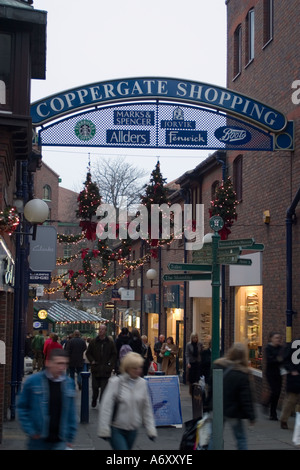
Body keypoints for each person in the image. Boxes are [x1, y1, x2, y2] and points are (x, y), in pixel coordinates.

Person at [17, 349, 77, 450]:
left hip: (61, 439)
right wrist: (30, 430)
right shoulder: (33, 381)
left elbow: (71, 412)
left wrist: (70, 437)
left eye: (65, 364)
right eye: (59, 363)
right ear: (48, 363)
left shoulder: (69, 383)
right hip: (38, 439)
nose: (62, 367)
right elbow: (22, 407)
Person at [98, 352, 157, 450]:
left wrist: (151, 429)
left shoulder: (143, 384)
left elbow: (147, 408)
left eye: (140, 367)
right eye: (134, 368)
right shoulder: (116, 382)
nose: (138, 370)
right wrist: (104, 428)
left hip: (133, 429)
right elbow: (106, 406)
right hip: (116, 428)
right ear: (127, 368)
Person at [206, 342, 256, 450]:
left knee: (214, 437)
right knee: (240, 438)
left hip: (217, 408)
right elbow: (246, 398)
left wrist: (207, 406)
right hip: (233, 411)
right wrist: (251, 416)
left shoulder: (218, 365)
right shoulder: (243, 373)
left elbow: (210, 389)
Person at [86, 324, 117, 407]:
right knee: (95, 388)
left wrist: (110, 364)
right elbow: (88, 353)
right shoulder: (93, 342)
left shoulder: (110, 343)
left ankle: (102, 403)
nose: (101, 331)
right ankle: (94, 398)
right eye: (100, 329)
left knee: (104, 389)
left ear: (105, 331)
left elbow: (114, 354)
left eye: (103, 329)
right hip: (96, 369)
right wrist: (92, 360)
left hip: (105, 370)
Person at [262, 332, 284, 420]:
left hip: (279, 373)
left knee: (277, 393)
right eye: (276, 338)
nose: (278, 339)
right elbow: (270, 360)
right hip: (270, 373)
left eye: (279, 338)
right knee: (274, 391)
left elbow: (283, 358)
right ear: (271, 339)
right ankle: (266, 403)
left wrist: (278, 359)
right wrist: (279, 359)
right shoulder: (268, 348)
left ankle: (273, 414)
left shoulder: (281, 348)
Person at [280, 339, 300, 429]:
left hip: (294, 377)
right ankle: (284, 420)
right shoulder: (293, 345)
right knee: (291, 400)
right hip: (294, 378)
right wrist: (291, 370)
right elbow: (285, 360)